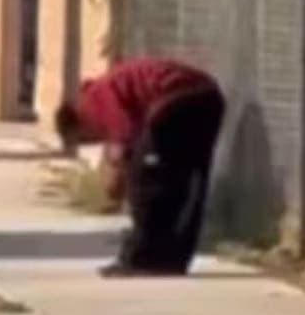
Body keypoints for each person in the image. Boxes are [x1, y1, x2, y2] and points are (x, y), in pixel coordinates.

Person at [55, 57, 225, 277]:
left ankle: (142, 259)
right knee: (187, 182)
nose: (96, 140)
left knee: (146, 182)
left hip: (178, 99)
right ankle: (173, 259)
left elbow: (123, 140)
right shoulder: (108, 87)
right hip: (208, 96)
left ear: (79, 126)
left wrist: (117, 183)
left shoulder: (95, 99)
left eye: (86, 140)